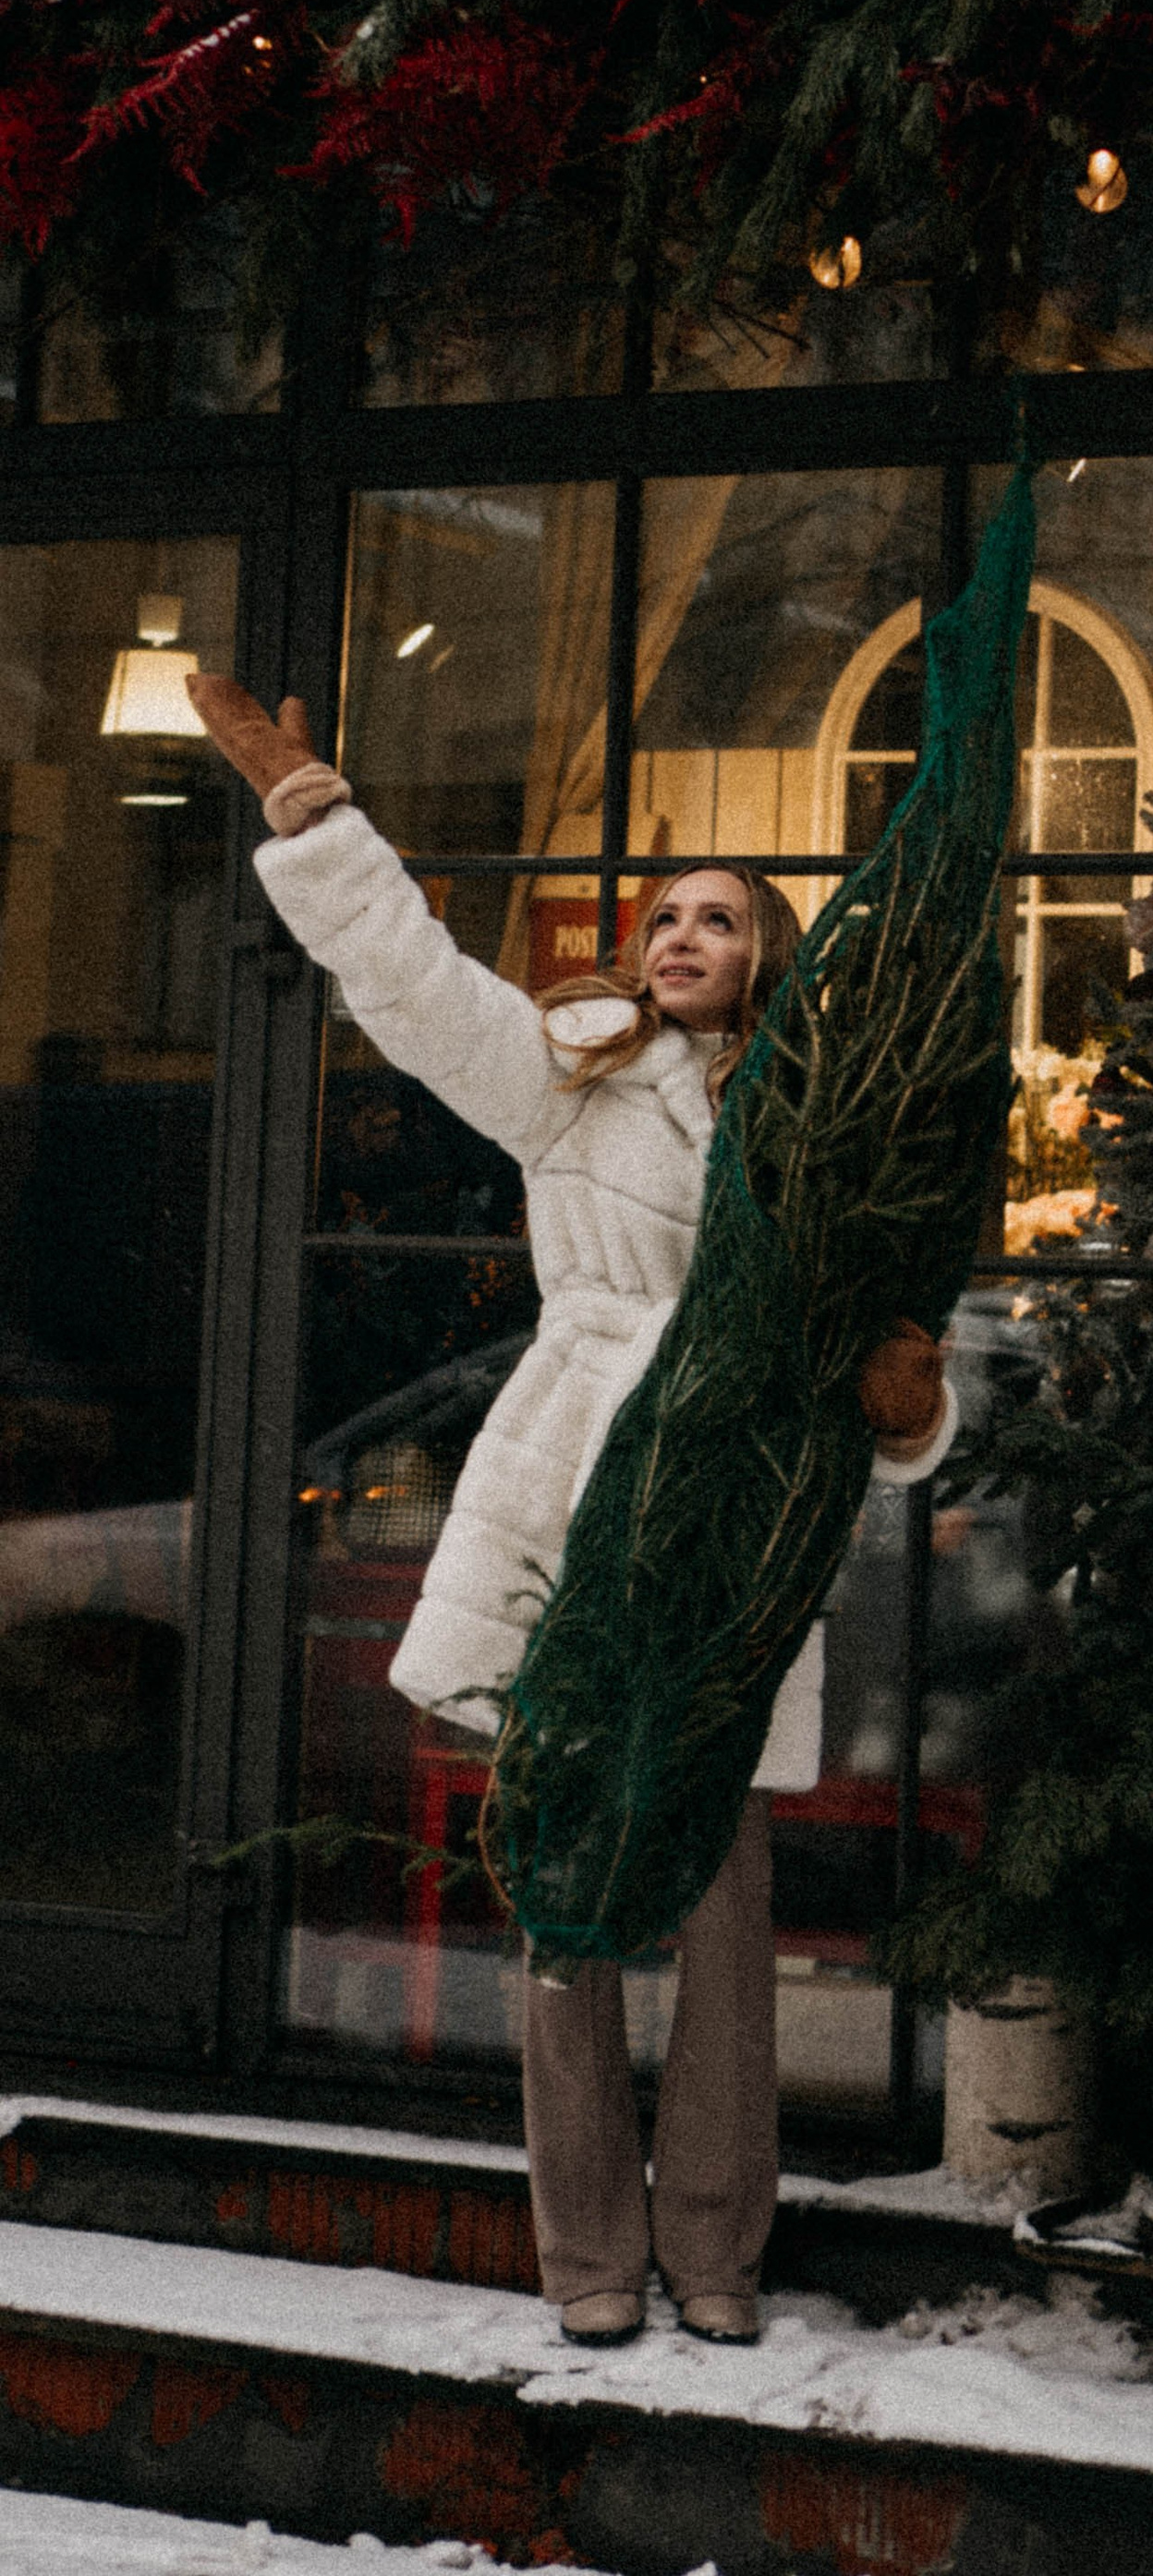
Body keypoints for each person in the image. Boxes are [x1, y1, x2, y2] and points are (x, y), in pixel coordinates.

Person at [191, 682, 955, 2352]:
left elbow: (880, 1375)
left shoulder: (824, 1125)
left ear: (771, 958)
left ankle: (718, 2253)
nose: (679, 933)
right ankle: (588, 2256)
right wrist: (318, 819)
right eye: (664, 913)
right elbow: (414, 988)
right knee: (562, 1909)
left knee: (727, 1930)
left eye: (719, 918)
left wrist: (910, 1409)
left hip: (733, 1550)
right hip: (573, 1516)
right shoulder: (577, 1077)